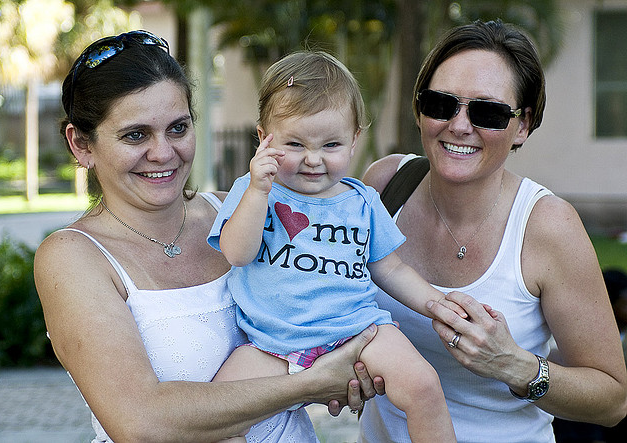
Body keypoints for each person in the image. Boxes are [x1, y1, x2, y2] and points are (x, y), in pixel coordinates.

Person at [33, 30, 384, 443]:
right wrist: (311, 382)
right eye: (135, 135)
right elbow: (141, 422)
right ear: (81, 144)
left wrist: (358, 362)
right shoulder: (73, 257)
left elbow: (335, 294)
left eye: (178, 128)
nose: (163, 152)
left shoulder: (239, 210)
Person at [358, 19, 627, 442]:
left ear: (522, 126)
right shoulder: (385, 186)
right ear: (419, 108)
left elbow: (612, 400)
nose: (460, 126)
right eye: (441, 104)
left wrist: (513, 365)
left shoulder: (548, 226)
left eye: (488, 112)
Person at [207, 50, 466, 442]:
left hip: (356, 332)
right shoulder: (254, 192)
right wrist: (259, 192)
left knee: (423, 386)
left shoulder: (361, 201)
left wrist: (436, 303)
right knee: (217, 417)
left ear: (354, 139)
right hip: (271, 342)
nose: (313, 160)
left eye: (331, 145)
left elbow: (391, 269)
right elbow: (237, 254)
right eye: (294, 144)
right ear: (263, 139)